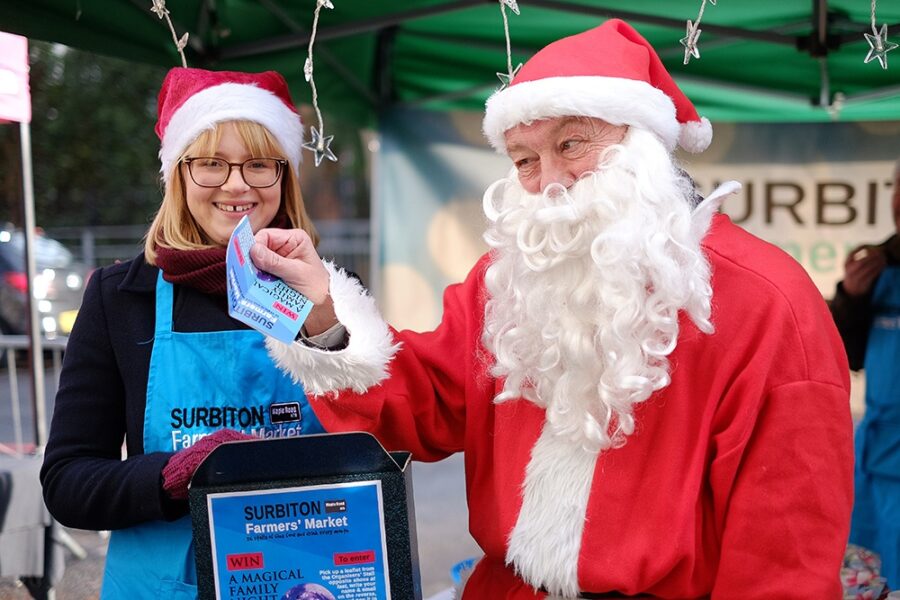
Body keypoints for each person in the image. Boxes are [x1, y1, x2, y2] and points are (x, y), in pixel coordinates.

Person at [255, 20, 854, 599]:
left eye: (571, 143)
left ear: (643, 144)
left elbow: (785, 561)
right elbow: (420, 401)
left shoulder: (770, 302)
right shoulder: (507, 282)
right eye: (524, 160)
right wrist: (320, 313)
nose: (549, 182)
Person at [39, 67, 342, 599]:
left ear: (284, 176)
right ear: (178, 176)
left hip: (307, 577)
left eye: (258, 164)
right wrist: (169, 476)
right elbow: (67, 482)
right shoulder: (121, 298)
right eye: (211, 164)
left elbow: (384, 438)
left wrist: (330, 328)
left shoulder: (330, 293)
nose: (237, 184)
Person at [831, 157, 900, 588]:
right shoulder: (875, 269)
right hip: (879, 464)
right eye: (898, 186)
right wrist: (851, 300)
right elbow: (846, 358)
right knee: (877, 578)